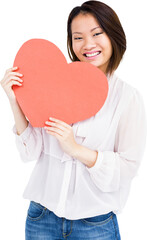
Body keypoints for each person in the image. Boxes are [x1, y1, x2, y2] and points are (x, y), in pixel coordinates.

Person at [0, 1, 146, 239]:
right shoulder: (52, 82)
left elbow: (128, 167)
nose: (88, 44)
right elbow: (30, 153)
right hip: (41, 219)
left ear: (113, 36)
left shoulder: (128, 98)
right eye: (78, 37)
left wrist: (76, 149)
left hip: (95, 225)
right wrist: (14, 100)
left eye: (97, 34)